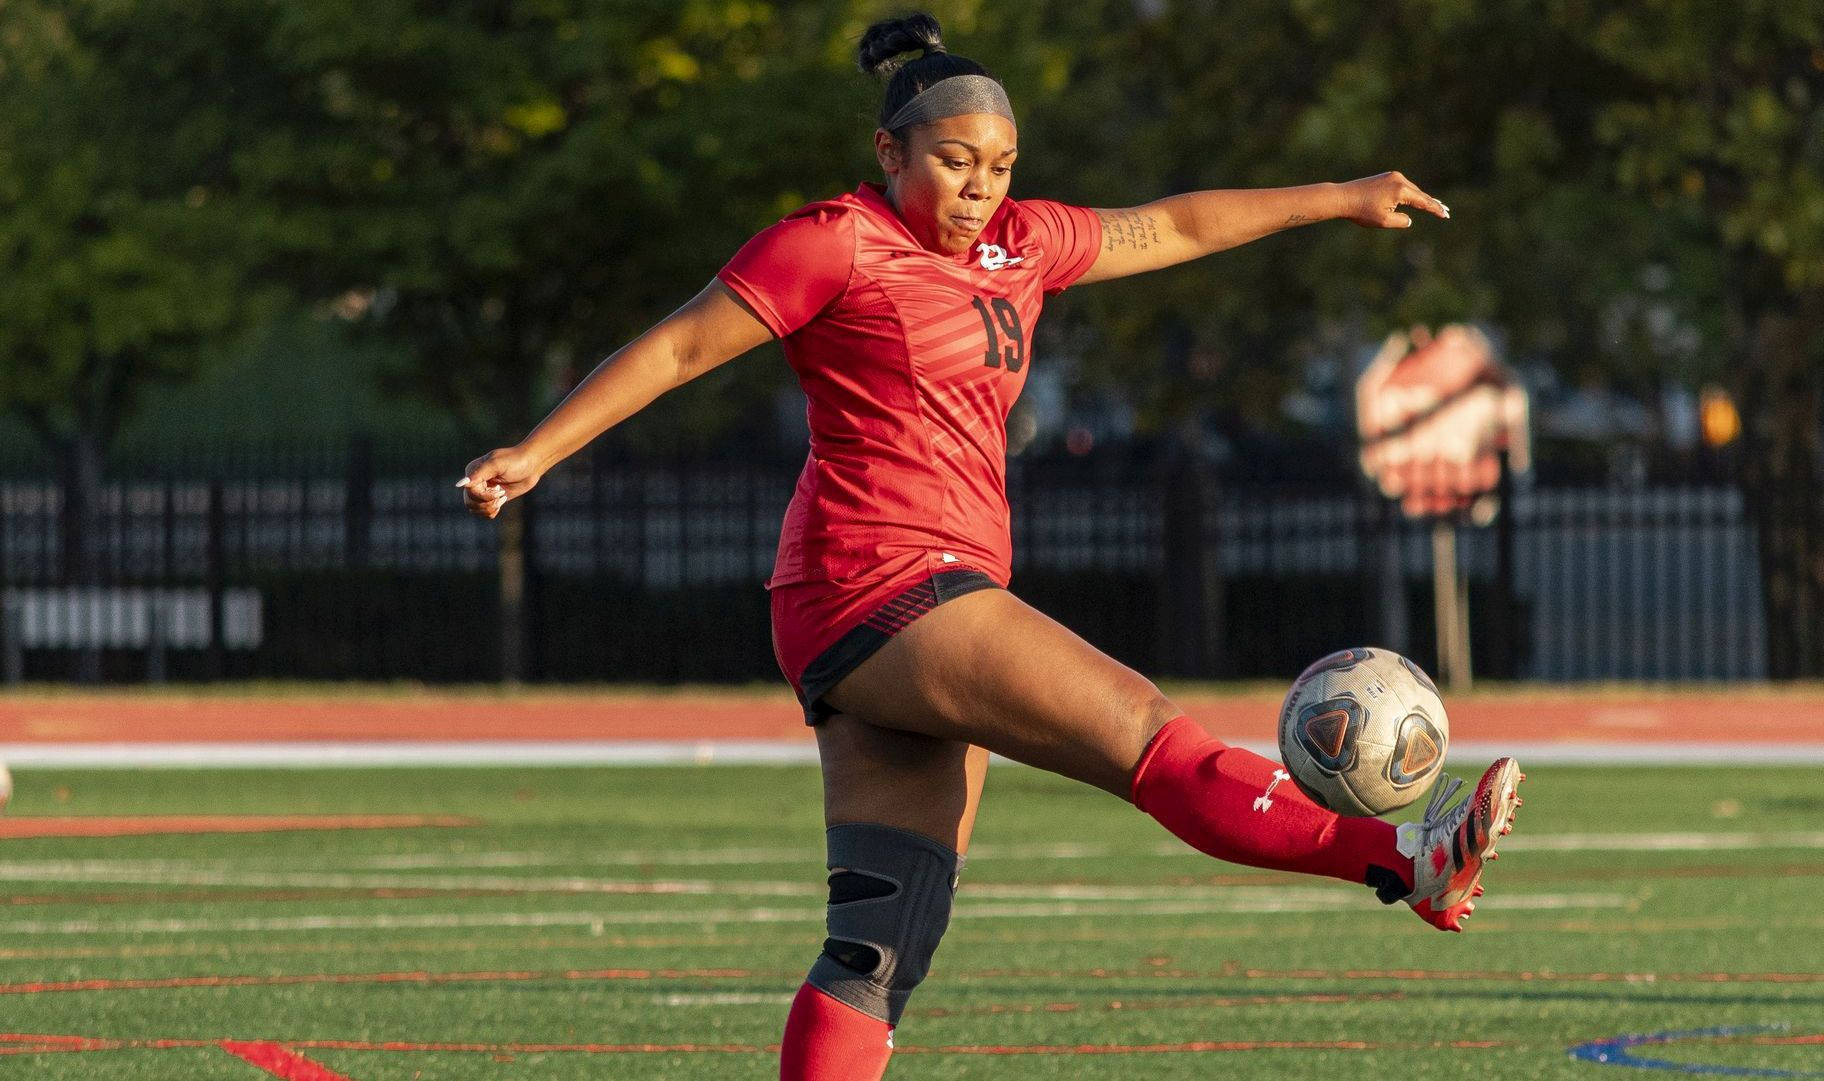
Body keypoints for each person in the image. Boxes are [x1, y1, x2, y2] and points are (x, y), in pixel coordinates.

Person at [459, 14, 1524, 1079]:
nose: (979, 187)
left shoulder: (1025, 241)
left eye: (1001, 165)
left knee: (880, 948)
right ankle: (1406, 854)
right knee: (1147, 733)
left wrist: (1337, 197)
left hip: (888, 603)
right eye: (955, 161)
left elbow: (1178, 226)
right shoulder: (833, 239)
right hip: (881, 580)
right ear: (890, 153)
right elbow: (686, 343)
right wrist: (539, 451)